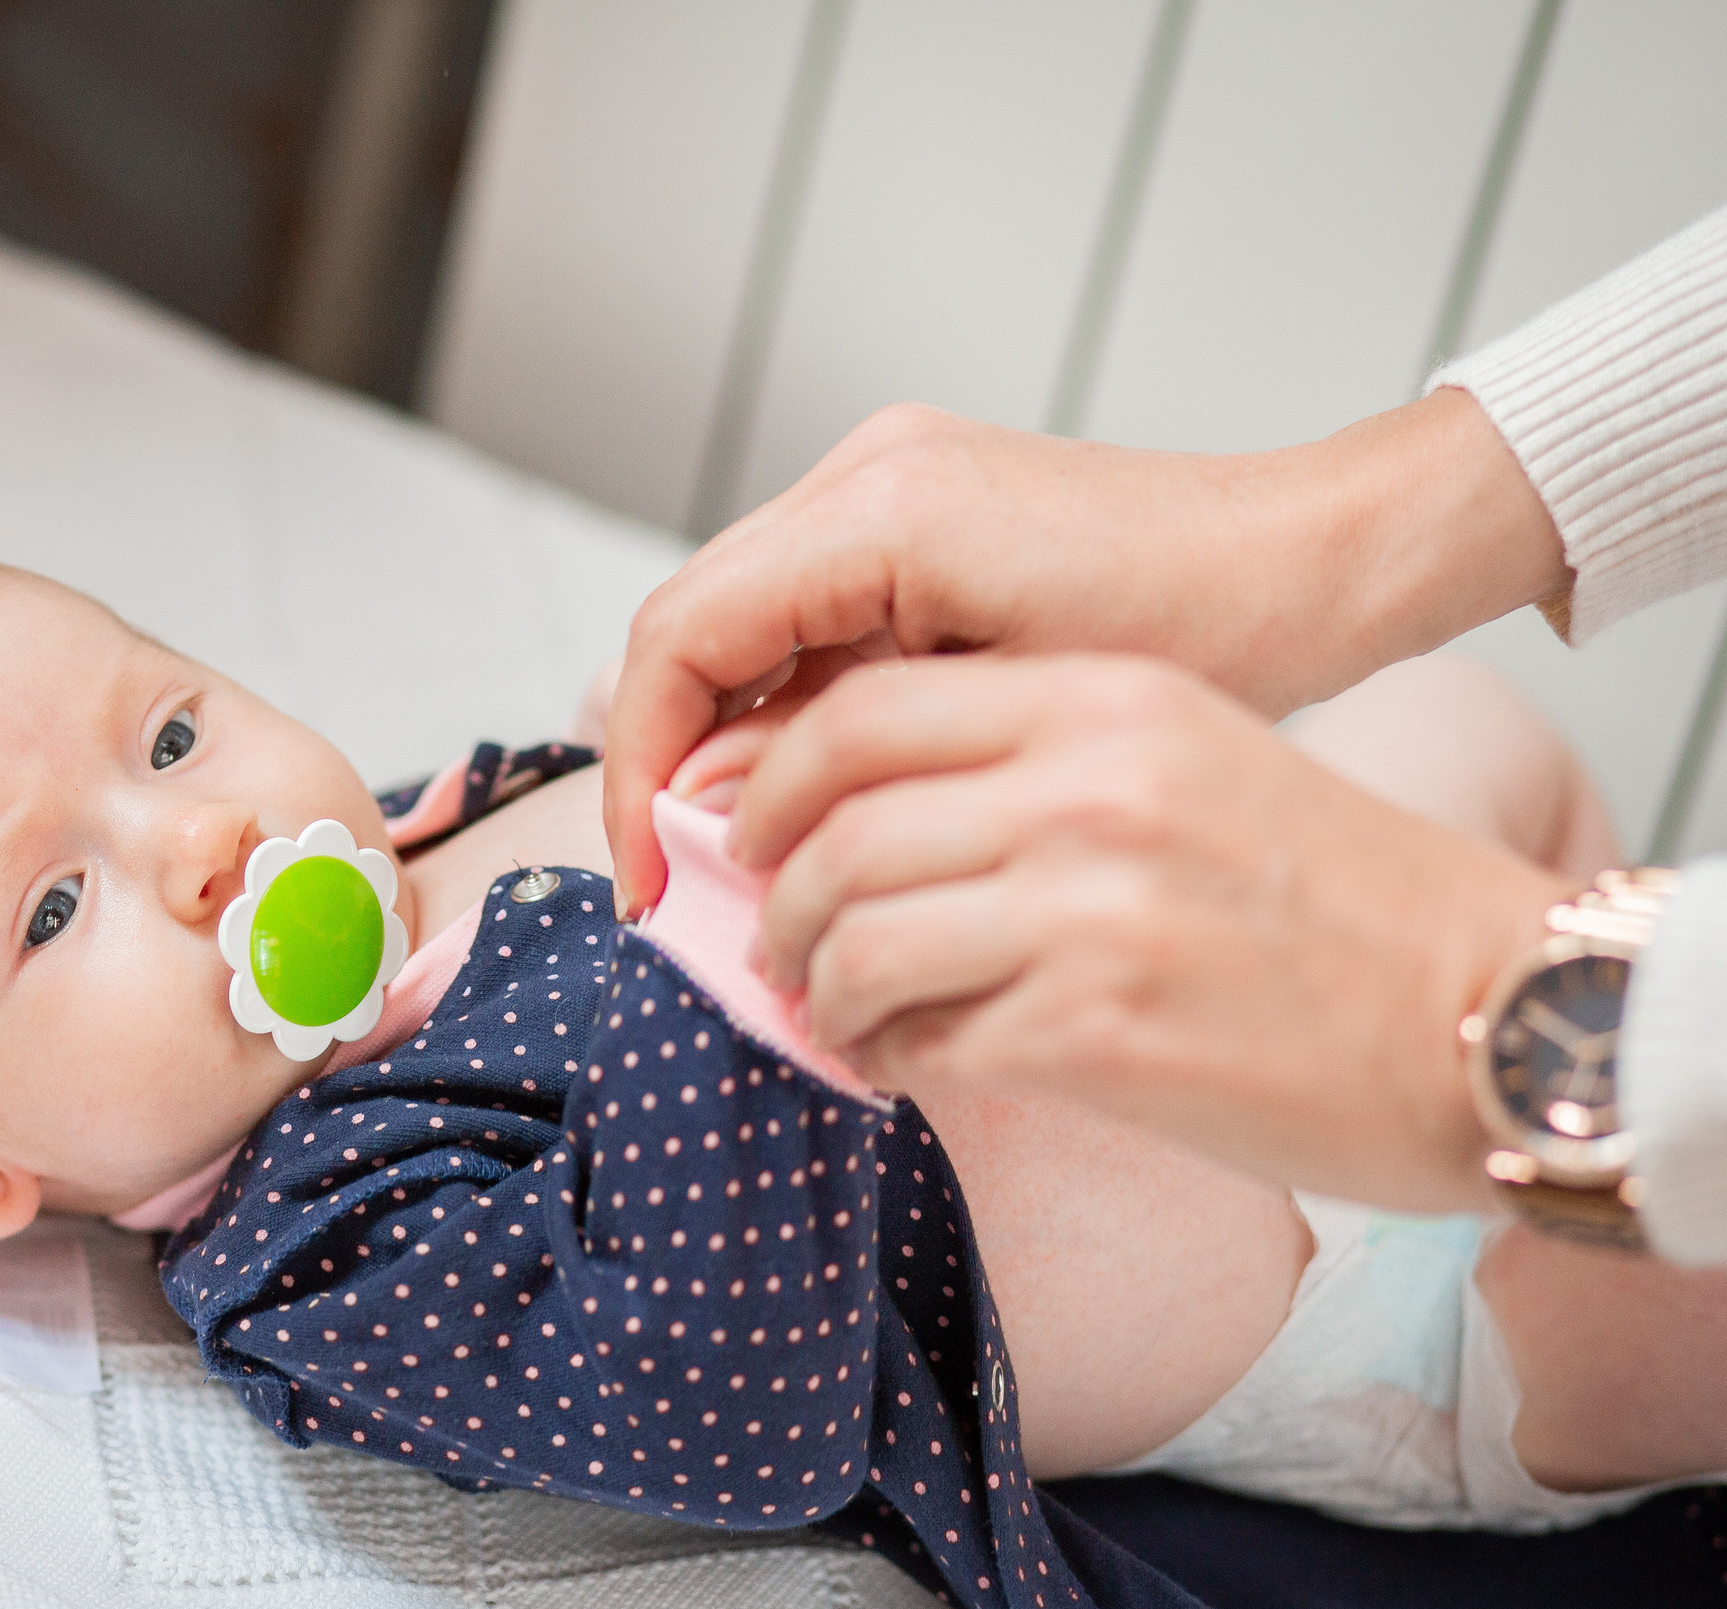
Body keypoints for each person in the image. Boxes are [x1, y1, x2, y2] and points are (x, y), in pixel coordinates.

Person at [0, 553, 1719, 1600]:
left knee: (1454, 726)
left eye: (164, 733)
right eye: (50, 912)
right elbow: (735, 1405)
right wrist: (738, 945)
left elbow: (674, 778)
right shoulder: (326, 1240)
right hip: (1388, 1299)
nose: (199, 839)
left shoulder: (419, 835)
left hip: (1296, 977)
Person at [603, 205, 1727, 1277]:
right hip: (1391, 1222)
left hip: (1529, 1183)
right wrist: (1332, 546)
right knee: (1461, 718)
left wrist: (1469, 984)